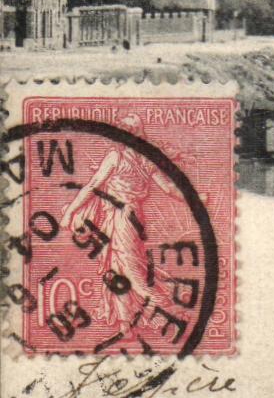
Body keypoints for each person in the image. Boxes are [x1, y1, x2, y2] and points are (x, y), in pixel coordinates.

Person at [60, 115, 187, 333]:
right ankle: (124, 324)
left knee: (131, 270)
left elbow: (92, 186)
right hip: (121, 217)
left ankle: (166, 308)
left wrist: (70, 212)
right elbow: (168, 188)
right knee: (115, 268)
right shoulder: (135, 158)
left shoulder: (122, 157)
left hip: (124, 218)